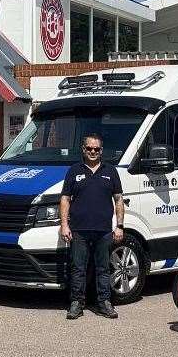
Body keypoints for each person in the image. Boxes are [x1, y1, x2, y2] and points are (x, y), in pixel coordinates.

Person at [59, 133, 125, 320]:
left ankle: (104, 303)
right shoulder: (74, 170)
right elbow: (65, 199)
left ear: (101, 150)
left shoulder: (110, 171)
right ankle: (76, 304)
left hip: (104, 230)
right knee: (78, 268)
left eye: (96, 149)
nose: (93, 152)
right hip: (79, 230)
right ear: (83, 149)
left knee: (103, 268)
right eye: (89, 148)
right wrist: (64, 225)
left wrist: (119, 226)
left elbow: (118, 199)